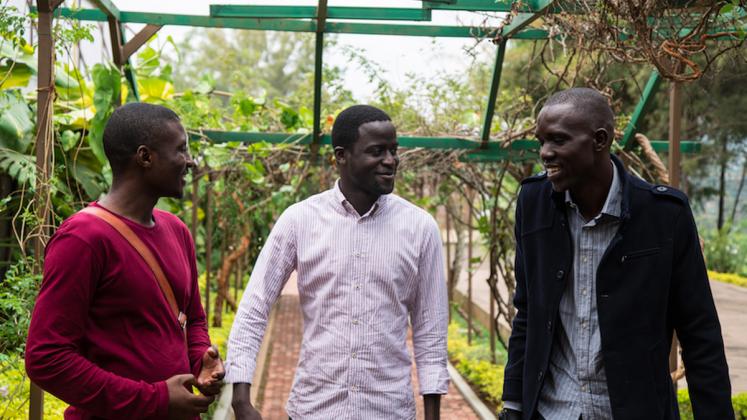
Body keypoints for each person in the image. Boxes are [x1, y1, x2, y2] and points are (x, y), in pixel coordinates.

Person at [499, 88, 733, 420]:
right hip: (552, 412)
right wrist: (513, 404)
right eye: (541, 142)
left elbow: (700, 334)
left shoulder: (664, 215)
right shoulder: (533, 204)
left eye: (558, 141)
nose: (545, 153)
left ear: (599, 140)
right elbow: (527, 312)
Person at [225, 105, 449, 420]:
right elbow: (254, 308)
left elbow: (430, 329)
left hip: (388, 411)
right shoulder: (299, 220)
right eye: (377, 151)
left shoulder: (420, 228)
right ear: (341, 156)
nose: (390, 161)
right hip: (314, 409)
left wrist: (433, 416)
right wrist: (241, 399)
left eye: (393, 151)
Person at [26, 103, 225, 419]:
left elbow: (194, 318)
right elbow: (46, 358)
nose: (190, 161)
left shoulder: (177, 231)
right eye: (181, 150)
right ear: (145, 157)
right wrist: (154, 399)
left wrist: (201, 358)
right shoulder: (83, 238)